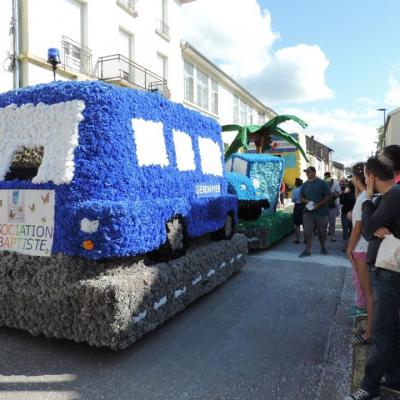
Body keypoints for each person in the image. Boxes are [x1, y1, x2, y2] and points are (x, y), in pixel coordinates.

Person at [346, 156, 400, 400]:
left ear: (372, 177)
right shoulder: (390, 197)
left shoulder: (393, 196)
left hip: (389, 273)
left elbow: (367, 230)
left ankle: (369, 388)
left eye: (367, 176)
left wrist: (368, 201)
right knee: (392, 329)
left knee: (380, 332)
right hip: (388, 270)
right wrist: (373, 222)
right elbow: (372, 227)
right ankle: (395, 378)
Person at [346, 163, 373, 347]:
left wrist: (349, 249)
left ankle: (369, 331)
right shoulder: (368, 196)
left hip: (361, 249)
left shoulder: (364, 197)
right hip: (367, 248)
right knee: (369, 291)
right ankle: (369, 326)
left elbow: (357, 229)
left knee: (367, 292)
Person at [299, 166, 332, 257]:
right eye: (306, 172)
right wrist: (308, 202)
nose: (307, 173)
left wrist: (319, 205)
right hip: (308, 212)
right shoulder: (305, 184)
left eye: (308, 172)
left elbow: (329, 196)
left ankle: (323, 247)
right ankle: (307, 250)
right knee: (307, 231)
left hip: (321, 212)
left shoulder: (322, 183)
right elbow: (301, 197)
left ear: (314, 172)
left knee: (322, 232)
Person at [340, 180, 356, 245]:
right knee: (352, 229)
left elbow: (342, 202)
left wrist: (342, 195)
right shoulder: (358, 194)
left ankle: (345, 245)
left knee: (345, 230)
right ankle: (352, 244)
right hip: (353, 213)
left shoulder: (346, 194)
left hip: (345, 212)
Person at [326, 173, 341, 242]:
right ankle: (329, 234)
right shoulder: (323, 183)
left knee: (332, 222)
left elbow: (338, 194)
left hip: (332, 205)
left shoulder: (335, 183)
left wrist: (332, 194)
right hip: (325, 205)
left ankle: (332, 236)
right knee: (325, 222)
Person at [291, 178, 305, 244]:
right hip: (304, 206)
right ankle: (306, 239)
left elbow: (293, 200)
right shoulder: (304, 189)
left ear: (296, 183)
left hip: (297, 206)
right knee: (305, 224)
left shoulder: (295, 190)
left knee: (297, 224)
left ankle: (298, 239)